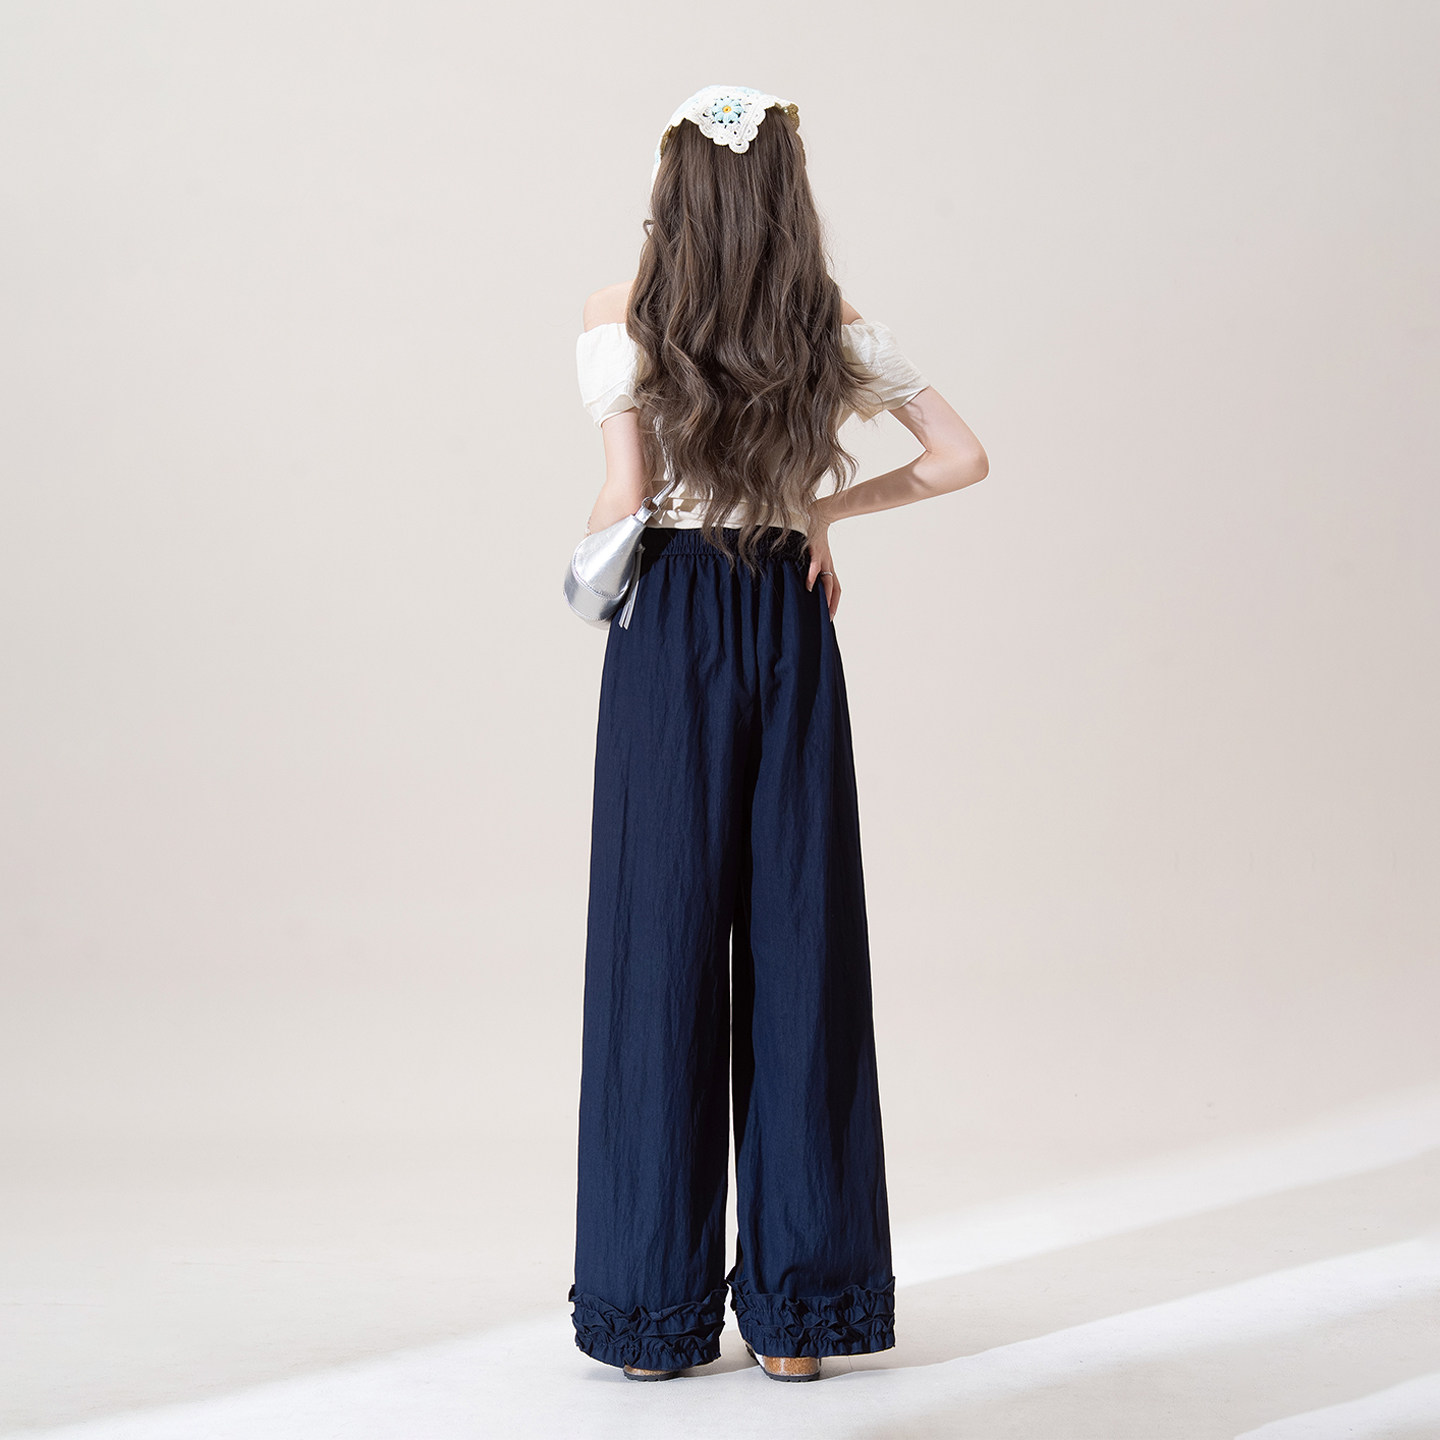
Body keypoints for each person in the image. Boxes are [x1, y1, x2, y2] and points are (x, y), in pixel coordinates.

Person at [566, 84, 989, 1384]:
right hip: (787, 622)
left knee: (657, 951)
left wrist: (592, 573)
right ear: (786, 195)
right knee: (803, 945)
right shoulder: (826, 320)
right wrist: (818, 516)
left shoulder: (621, 315)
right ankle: (802, 1323)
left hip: (670, 624)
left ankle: (652, 1320)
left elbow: (625, 498)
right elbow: (960, 455)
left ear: (674, 192)